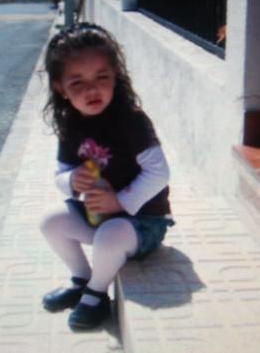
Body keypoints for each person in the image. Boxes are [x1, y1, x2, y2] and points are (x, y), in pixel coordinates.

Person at [40, 23, 173, 331]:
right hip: (99, 218)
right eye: (77, 82)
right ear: (60, 87)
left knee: (110, 235)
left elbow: (159, 173)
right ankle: (82, 278)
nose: (92, 89)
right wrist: (71, 180)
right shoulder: (70, 125)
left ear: (115, 75)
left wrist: (120, 202)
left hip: (143, 223)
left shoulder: (131, 121)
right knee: (50, 222)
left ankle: (97, 293)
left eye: (101, 77)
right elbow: (60, 174)